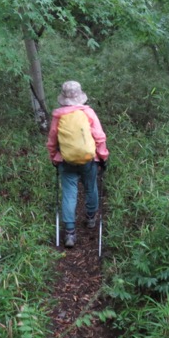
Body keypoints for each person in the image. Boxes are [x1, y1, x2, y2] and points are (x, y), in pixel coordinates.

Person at [46, 81, 109, 248]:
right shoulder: (88, 113)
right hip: (89, 159)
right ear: (80, 96)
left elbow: (52, 140)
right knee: (90, 187)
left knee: (69, 194)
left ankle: (70, 233)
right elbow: (99, 136)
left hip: (66, 161)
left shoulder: (58, 116)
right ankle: (90, 218)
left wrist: (54, 158)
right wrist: (103, 157)